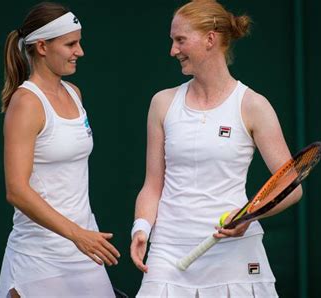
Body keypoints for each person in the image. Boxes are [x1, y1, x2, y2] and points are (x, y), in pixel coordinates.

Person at [130, 0, 303, 296]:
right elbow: (152, 184)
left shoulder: (253, 106)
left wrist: (249, 215)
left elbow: (291, 185)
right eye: (173, 41)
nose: (173, 50)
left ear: (210, 39)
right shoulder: (162, 103)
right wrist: (141, 228)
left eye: (180, 40)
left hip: (234, 255)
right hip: (168, 251)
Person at [0, 2, 120, 297]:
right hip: (40, 256)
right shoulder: (26, 103)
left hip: (84, 249)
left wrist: (82, 236)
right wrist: (78, 235)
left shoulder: (74, 93)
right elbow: (16, 190)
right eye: (70, 44)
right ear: (42, 47)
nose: (80, 52)